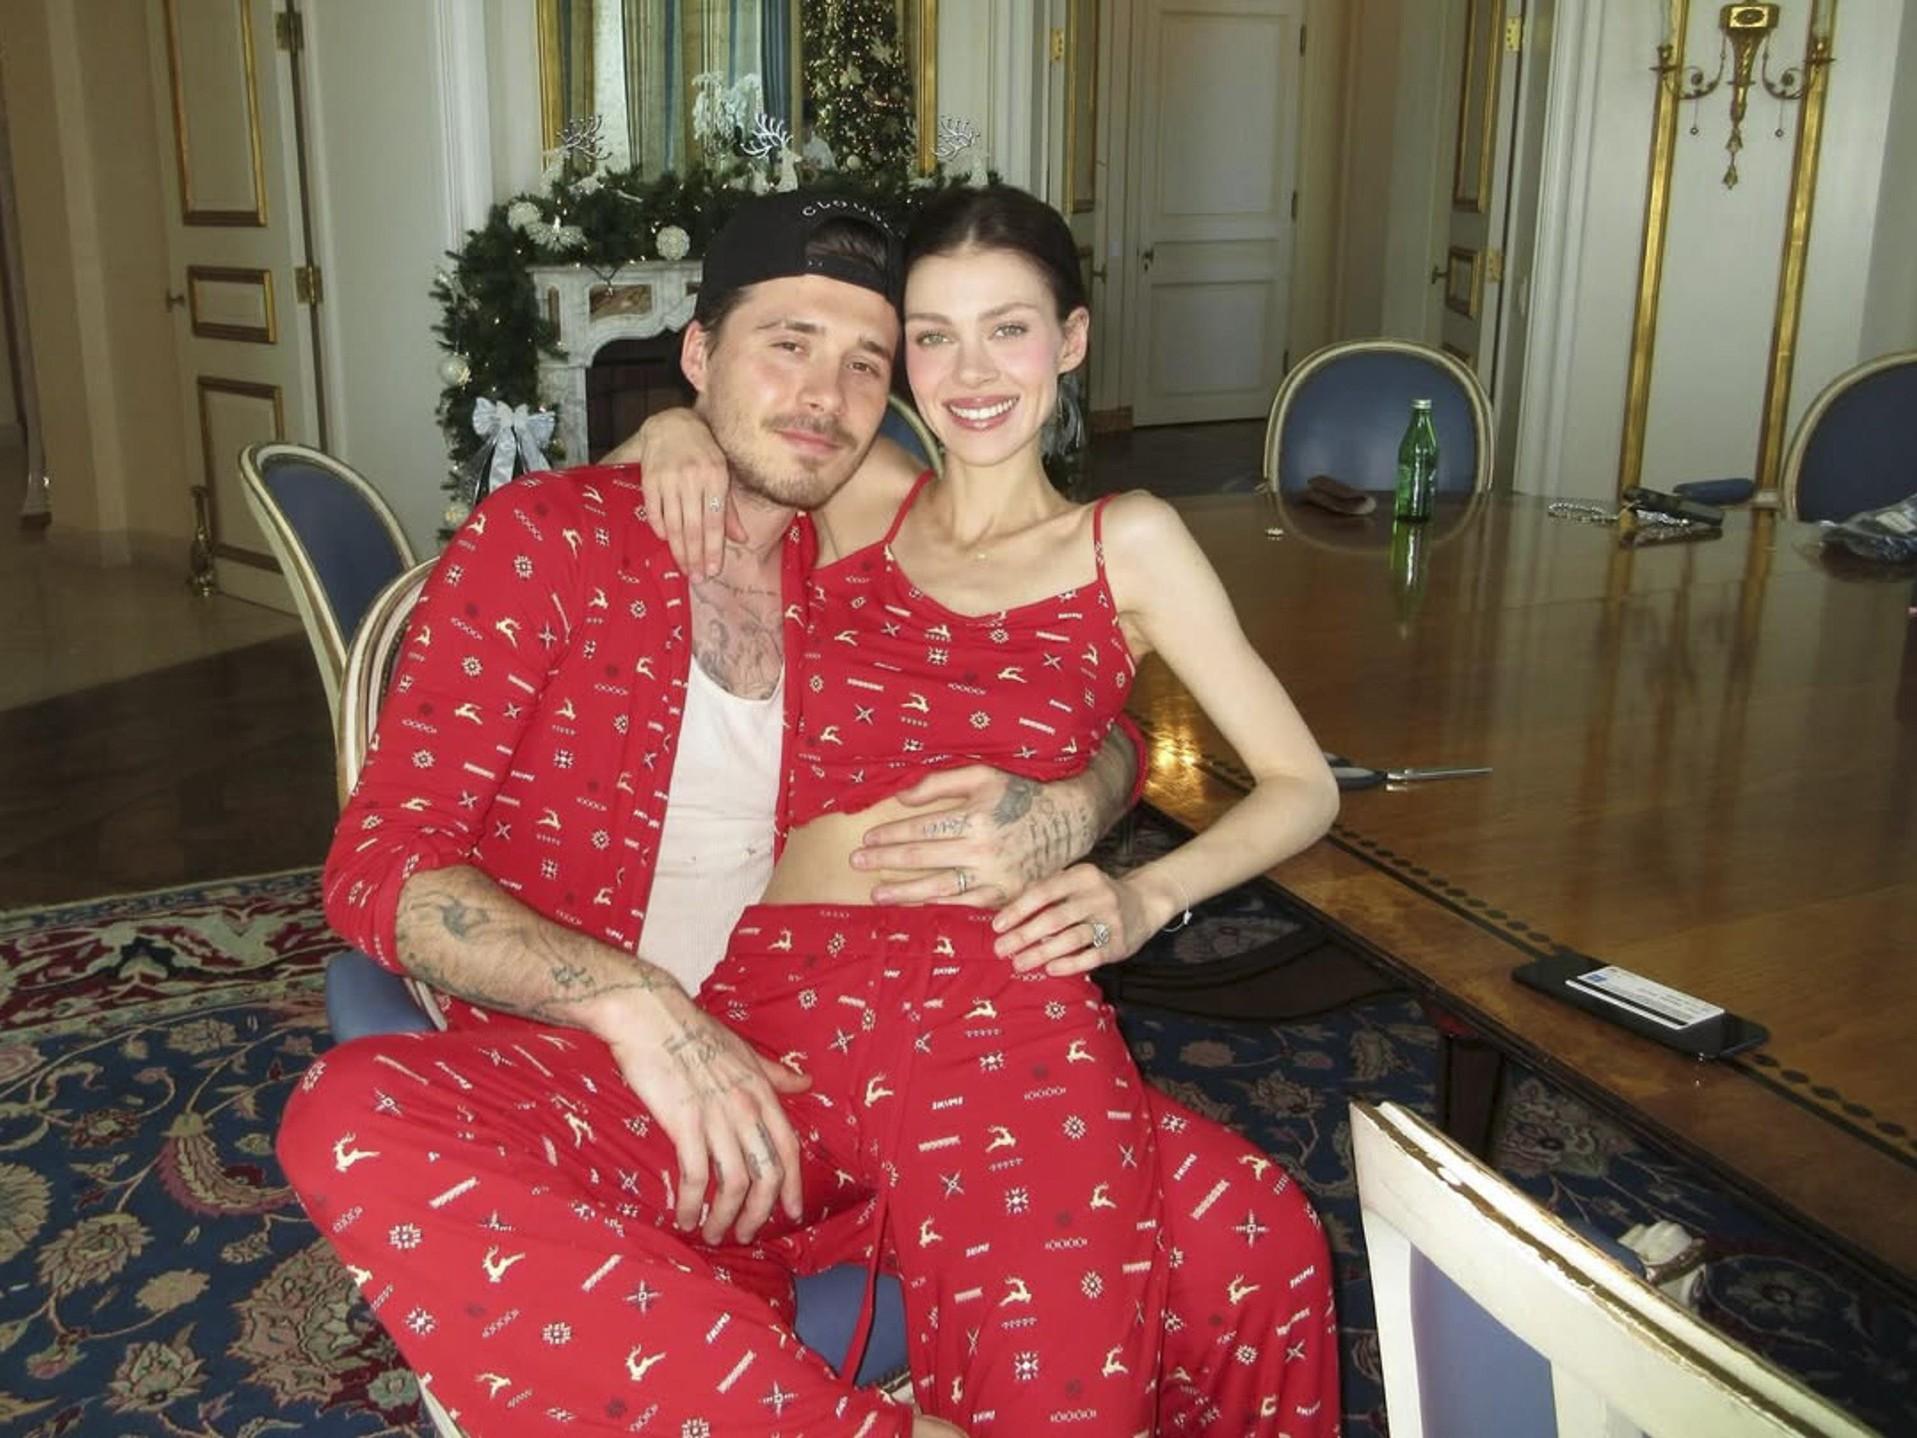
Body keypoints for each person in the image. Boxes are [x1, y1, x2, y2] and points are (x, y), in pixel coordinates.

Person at [280, 193, 1139, 1438]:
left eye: (866, 362)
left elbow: (1090, 702)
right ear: (697, 354)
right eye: (786, 343)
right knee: (349, 1114)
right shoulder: (547, 545)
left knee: (1246, 1219)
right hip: (602, 1090)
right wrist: (637, 1006)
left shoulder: (872, 569)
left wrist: (1082, 798)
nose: (824, 395)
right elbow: (379, 865)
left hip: (863, 1070)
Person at [624, 184, 1342, 1435]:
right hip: (793, 983)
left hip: (997, 994)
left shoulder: (1129, 541)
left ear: (1070, 340)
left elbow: (1304, 783)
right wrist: (670, 423)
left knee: (1250, 1240)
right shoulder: (869, 493)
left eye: (1008, 330)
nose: (970, 373)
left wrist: (1144, 897)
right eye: (933, 336)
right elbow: (740, 416)